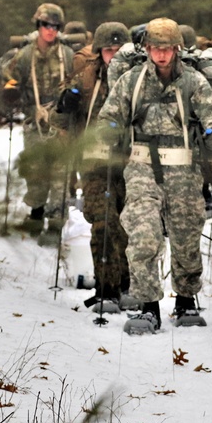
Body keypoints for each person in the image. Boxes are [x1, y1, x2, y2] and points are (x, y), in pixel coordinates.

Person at [94, 18, 212, 332]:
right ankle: (147, 306)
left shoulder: (193, 81)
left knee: (186, 236)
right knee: (143, 234)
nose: (160, 55)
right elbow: (110, 114)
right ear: (146, 48)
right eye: (155, 48)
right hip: (142, 165)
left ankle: (185, 300)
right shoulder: (132, 80)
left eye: (167, 49)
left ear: (177, 49)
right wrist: (110, 131)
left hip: (184, 168)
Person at [62, 21, 133, 310]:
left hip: (131, 161)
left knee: (130, 225)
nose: (113, 55)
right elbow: (64, 108)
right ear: (99, 51)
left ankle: (129, 284)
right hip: (95, 161)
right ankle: (106, 288)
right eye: (108, 50)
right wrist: (68, 101)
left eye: (118, 49)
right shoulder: (87, 77)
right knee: (102, 223)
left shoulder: (139, 77)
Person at [1, 3, 76, 243]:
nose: (50, 30)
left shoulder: (67, 55)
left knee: (60, 173)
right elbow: (11, 77)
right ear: (38, 25)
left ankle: (55, 224)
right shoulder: (25, 55)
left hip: (61, 118)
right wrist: (10, 91)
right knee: (35, 170)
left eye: (55, 26)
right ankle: (36, 211)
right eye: (46, 25)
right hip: (35, 119)